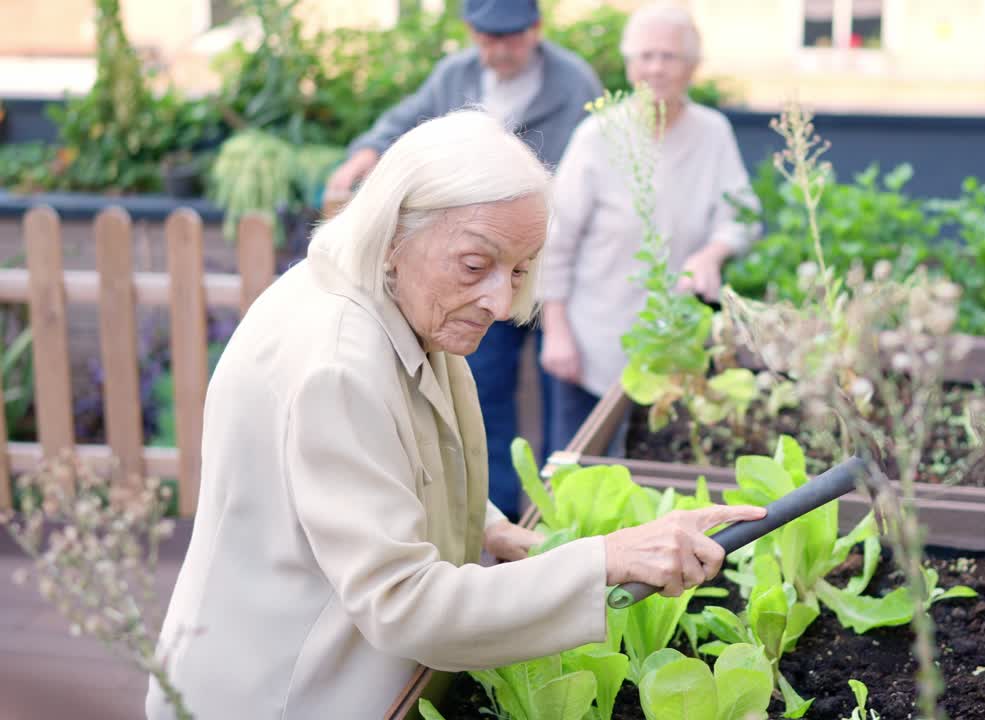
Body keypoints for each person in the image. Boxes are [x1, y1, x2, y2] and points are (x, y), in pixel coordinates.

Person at [144, 111, 766, 719]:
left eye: (520, 269)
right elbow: (402, 604)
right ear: (395, 234)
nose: (500, 300)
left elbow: (394, 457)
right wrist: (607, 560)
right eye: (476, 265)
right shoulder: (336, 364)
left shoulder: (391, 296)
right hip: (280, 695)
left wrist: (488, 525)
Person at [325, 0, 605, 521]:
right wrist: (365, 154)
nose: (501, 49)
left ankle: (556, 524)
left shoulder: (573, 81)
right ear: (472, 33)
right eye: (489, 38)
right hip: (475, 269)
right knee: (483, 400)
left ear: (536, 30)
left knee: (560, 407)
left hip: (549, 269)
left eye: (513, 37)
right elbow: (403, 128)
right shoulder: (454, 75)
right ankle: (490, 519)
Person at [538, 3, 762, 454]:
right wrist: (556, 331)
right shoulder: (598, 136)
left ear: (693, 67)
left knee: (654, 477)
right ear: (628, 65)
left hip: (673, 352)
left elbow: (742, 215)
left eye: (669, 56)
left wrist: (712, 253)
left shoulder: (712, 133)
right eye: (645, 56)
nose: (656, 68)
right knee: (573, 476)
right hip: (589, 345)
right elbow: (553, 241)